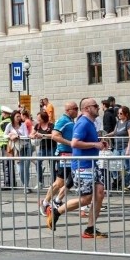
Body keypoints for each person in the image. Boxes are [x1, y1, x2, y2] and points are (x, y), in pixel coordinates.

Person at [41, 98, 108, 239]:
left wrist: (99, 143)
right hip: (83, 166)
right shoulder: (82, 122)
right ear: (88, 108)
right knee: (86, 199)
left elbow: (86, 142)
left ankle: (90, 229)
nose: (98, 108)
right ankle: (56, 211)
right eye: (95, 106)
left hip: (92, 164)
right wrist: (95, 145)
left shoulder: (90, 122)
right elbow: (75, 143)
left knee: (100, 193)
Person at [42, 102, 77, 208]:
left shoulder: (71, 121)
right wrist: (70, 143)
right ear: (68, 110)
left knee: (72, 178)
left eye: (77, 108)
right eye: (74, 109)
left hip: (71, 153)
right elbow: (55, 136)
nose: (77, 111)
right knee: (60, 181)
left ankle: (57, 200)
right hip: (64, 154)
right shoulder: (63, 120)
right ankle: (45, 203)